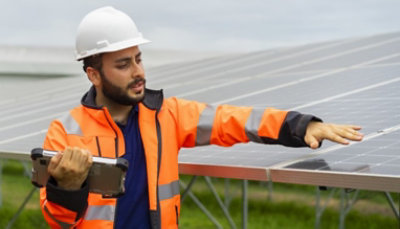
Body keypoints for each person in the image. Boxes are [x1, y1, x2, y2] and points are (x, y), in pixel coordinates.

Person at [39, 6, 363, 229]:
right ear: (94, 75)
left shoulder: (168, 115)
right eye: (123, 65)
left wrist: (302, 125)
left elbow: (235, 120)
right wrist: (66, 188)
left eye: (138, 59)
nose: (138, 72)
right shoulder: (65, 132)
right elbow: (59, 221)